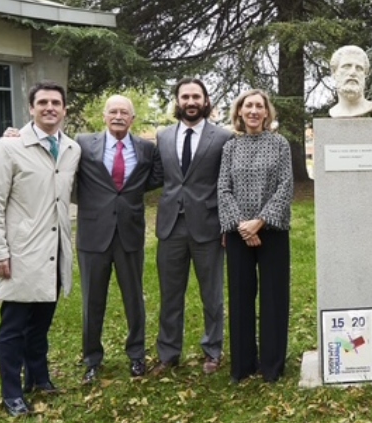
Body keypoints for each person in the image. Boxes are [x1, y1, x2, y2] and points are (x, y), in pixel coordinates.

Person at [0, 81, 81, 416]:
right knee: (14, 327)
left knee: (41, 324)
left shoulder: (71, 149)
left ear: (64, 109)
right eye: (43, 102)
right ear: (31, 109)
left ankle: (38, 378)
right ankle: (11, 393)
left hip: (54, 252)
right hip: (21, 254)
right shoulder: (8, 148)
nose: (50, 107)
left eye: (56, 102)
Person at [151, 78, 234, 375]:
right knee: (170, 293)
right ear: (177, 101)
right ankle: (168, 353)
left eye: (196, 96)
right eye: (185, 96)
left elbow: (229, 184)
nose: (190, 101)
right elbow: (153, 175)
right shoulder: (163, 136)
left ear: (206, 101)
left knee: (211, 293)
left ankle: (213, 350)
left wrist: (228, 225)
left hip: (209, 226)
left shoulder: (223, 138)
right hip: (171, 226)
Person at [76, 95, 161, 383]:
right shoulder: (83, 144)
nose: (118, 116)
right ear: (104, 116)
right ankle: (91, 359)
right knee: (92, 300)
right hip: (93, 233)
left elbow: (153, 179)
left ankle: (137, 355)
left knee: (134, 298)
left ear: (133, 119)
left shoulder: (147, 149)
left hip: (130, 233)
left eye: (124, 112)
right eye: (113, 111)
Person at [218, 89, 294, 383]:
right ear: (239, 112)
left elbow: (286, 187)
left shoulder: (280, 145)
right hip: (239, 233)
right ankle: (243, 364)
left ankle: (272, 365)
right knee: (240, 297)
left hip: (272, 231)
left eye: (259, 106)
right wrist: (242, 225)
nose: (253, 111)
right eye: (247, 106)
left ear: (266, 113)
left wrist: (259, 222)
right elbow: (223, 189)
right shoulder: (230, 148)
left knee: (274, 297)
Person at [328, 45, 372, 118]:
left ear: (365, 75)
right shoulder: (333, 112)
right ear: (334, 73)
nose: (353, 73)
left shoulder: (371, 107)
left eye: (359, 68)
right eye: (346, 66)